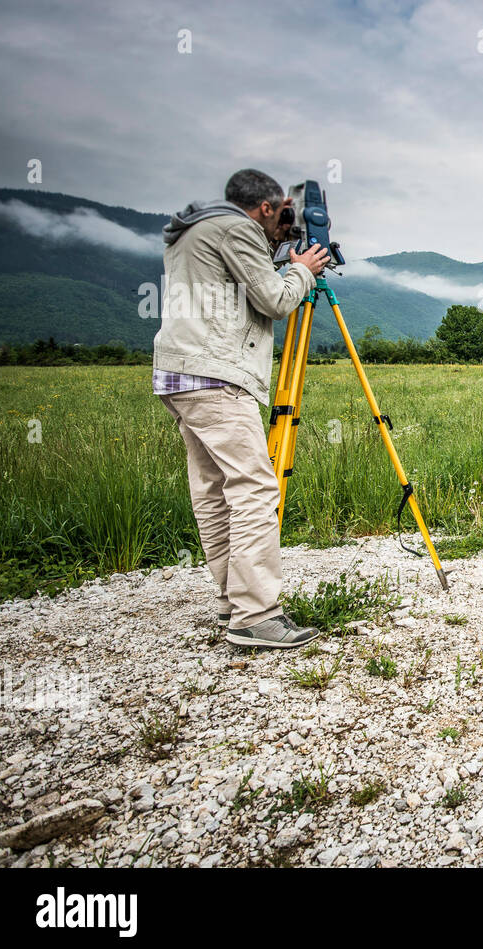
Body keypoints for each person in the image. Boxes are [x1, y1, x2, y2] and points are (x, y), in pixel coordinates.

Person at [152, 169, 332, 648]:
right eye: (281, 219)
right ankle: (257, 615)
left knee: (214, 490)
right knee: (254, 487)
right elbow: (274, 300)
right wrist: (302, 270)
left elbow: (241, 282)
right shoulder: (236, 229)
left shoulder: (194, 230)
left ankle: (235, 602)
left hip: (180, 372)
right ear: (267, 207)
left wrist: (280, 256)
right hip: (217, 374)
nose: (283, 230)